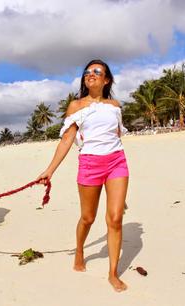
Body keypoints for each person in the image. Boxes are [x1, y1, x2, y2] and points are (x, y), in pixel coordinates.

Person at [36, 59, 129, 292]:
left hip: (117, 161)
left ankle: (112, 273)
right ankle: (79, 250)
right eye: (88, 72)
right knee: (88, 218)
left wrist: (117, 191)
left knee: (115, 218)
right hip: (89, 164)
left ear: (106, 79)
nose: (91, 74)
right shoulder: (76, 106)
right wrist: (49, 170)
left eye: (97, 71)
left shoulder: (115, 105)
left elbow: (117, 134)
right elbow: (67, 139)